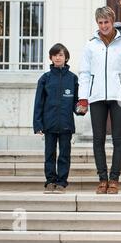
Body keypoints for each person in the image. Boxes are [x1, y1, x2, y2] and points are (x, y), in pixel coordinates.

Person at [76, 6, 121, 194]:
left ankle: (115, 179)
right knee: (98, 139)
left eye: (106, 22)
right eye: (100, 23)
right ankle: (102, 179)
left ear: (112, 22)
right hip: (96, 97)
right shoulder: (91, 45)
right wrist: (83, 98)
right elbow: (85, 73)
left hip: (119, 95)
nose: (103, 26)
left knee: (118, 139)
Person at [33, 43, 79, 194]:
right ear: (50, 58)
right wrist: (38, 124)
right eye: (55, 55)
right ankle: (50, 181)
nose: (58, 58)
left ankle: (61, 183)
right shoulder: (45, 78)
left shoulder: (72, 79)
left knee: (64, 154)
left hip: (66, 123)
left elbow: (76, 102)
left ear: (66, 58)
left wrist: (80, 109)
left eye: (61, 55)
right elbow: (38, 103)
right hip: (49, 123)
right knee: (50, 154)